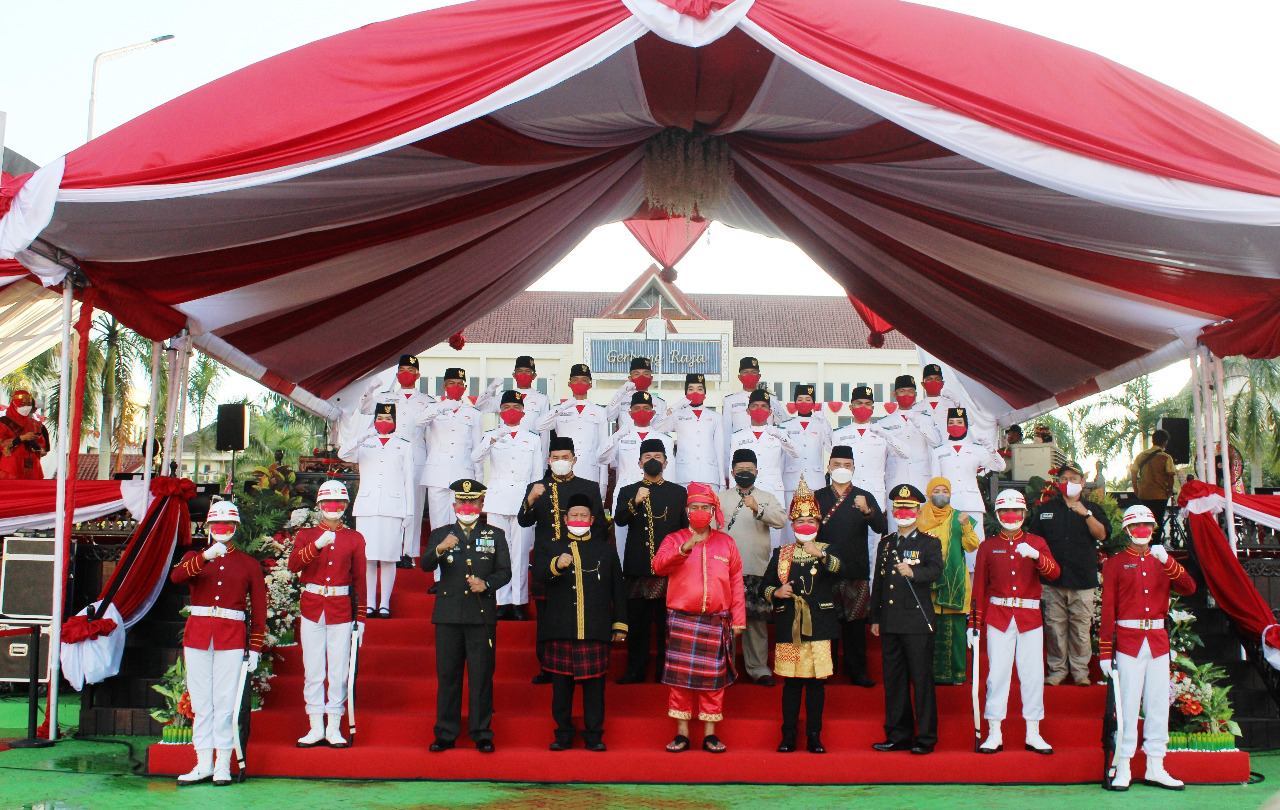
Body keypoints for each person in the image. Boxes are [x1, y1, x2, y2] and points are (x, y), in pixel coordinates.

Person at [1100, 504, 1196, 790]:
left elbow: (1189, 587)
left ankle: (1156, 765)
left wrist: (1168, 561)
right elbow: (1108, 610)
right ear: (1128, 531)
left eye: (1147, 527)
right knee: (1127, 705)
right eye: (1136, 527)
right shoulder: (1115, 563)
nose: (1142, 531)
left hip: (1157, 641)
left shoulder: (1162, 560)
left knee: (1157, 705)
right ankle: (1124, 765)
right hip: (1128, 641)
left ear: (1154, 529)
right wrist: (1106, 651)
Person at [170, 500, 267, 786]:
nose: (221, 529)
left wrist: (256, 647)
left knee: (225, 703)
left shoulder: (248, 564)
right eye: (216, 524)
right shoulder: (194, 557)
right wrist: (205, 557)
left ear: (235, 528)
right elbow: (177, 577)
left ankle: (223, 765)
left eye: (227, 525)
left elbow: (259, 609)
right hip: (198, 634)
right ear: (208, 527)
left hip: (231, 636)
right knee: (201, 703)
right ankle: (202, 764)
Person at [653, 483, 746, 754]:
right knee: (680, 683)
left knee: (713, 684)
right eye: (695, 507)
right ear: (687, 510)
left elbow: (736, 581)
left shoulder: (726, 542)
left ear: (713, 511)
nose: (700, 511)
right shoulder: (674, 538)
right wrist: (684, 548)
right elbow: (658, 567)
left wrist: (738, 617)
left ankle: (709, 735)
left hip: (717, 620)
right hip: (682, 619)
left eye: (705, 507)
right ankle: (682, 734)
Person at [421, 479, 511, 754]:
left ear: (482, 505)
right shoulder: (441, 533)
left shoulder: (494, 534)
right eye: (462, 501)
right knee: (448, 676)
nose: (467, 506)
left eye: (473, 502)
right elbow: (425, 565)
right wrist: (440, 548)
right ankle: (446, 733)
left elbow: (505, 571)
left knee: (481, 676)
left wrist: (487, 584)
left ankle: (482, 732)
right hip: (448, 616)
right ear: (454, 505)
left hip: (480, 616)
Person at [532, 493, 628, 751]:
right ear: (565, 519)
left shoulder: (605, 550)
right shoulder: (550, 547)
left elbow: (617, 589)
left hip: (595, 628)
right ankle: (563, 734)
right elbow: (539, 577)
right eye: (573, 515)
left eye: (583, 515)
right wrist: (555, 564)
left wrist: (620, 624)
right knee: (561, 689)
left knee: (595, 689)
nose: (578, 519)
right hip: (560, 628)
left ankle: (594, 735)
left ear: (592, 519)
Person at [971, 489, 1061, 755]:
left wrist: (1036, 556)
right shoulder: (987, 545)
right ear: (997, 515)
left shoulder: (1037, 541)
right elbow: (979, 587)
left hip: (1029, 617)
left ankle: (1033, 731)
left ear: (1024, 513)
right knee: (997, 675)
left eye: (1016, 511)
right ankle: (994, 731)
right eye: (1005, 512)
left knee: (1032, 675)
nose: (1011, 516)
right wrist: (974, 624)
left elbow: (1054, 573)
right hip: (998, 617)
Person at [763, 477, 848, 753]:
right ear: (792, 524)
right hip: (790, 627)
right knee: (791, 684)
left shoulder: (827, 550)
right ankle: (788, 736)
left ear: (819, 523)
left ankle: (814, 736)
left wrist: (819, 555)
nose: (805, 525)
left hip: (820, 626)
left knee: (815, 684)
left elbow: (841, 571)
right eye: (800, 522)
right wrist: (776, 592)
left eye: (811, 520)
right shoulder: (782, 553)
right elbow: (764, 587)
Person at [519, 436, 610, 683]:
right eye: (556, 458)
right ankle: (547, 666)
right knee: (547, 615)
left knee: (577, 612)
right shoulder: (537, 486)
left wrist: (592, 555)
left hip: (583, 560)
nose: (561, 462)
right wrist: (530, 499)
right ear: (549, 461)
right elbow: (523, 521)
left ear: (574, 460)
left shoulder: (589, 487)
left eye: (565, 458)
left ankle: (578, 665)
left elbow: (600, 527)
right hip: (547, 561)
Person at [287, 480, 367, 748]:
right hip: (312, 606)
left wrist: (362, 619)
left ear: (346, 506)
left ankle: (334, 725)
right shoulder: (306, 535)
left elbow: (360, 580)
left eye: (339, 503)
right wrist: (317, 545)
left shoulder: (355, 538)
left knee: (338, 670)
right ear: (319, 506)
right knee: (313, 670)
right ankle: (315, 726)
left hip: (341, 608)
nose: (333, 508)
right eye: (328, 503)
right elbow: (294, 564)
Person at [870, 485, 942, 755]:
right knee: (894, 681)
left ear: (918, 511)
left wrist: (913, 572)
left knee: (922, 681)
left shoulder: (929, 542)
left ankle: (925, 738)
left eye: (909, 508)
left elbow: (936, 571)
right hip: (890, 622)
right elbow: (878, 583)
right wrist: (875, 618)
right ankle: (897, 735)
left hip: (917, 623)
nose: (904, 512)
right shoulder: (886, 543)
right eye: (899, 508)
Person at [613, 438, 687, 684]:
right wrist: (635, 501)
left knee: (668, 625)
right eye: (648, 457)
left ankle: (665, 670)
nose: (652, 461)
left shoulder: (678, 492)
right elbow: (620, 520)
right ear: (639, 462)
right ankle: (635, 669)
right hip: (638, 567)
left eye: (657, 457)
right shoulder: (627, 490)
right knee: (638, 624)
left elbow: (685, 530)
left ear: (666, 462)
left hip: (670, 569)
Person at [1031, 461, 1110, 686]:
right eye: (1064, 479)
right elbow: (1034, 541)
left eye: (1074, 479)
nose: (1068, 483)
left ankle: (1080, 672)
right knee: (1054, 627)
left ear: (1083, 483)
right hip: (1052, 581)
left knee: (1081, 628)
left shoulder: (1093, 509)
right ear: (1058, 483)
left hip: (1083, 580)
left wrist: (1086, 515)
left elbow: (1103, 535)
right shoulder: (1046, 510)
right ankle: (1057, 670)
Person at [816, 446, 885, 687]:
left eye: (846, 465)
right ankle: (827, 669)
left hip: (856, 568)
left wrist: (867, 510)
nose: (841, 469)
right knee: (827, 622)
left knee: (855, 625)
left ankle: (858, 672)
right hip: (824, 568)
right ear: (829, 467)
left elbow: (882, 527)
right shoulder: (818, 496)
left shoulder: (864, 495)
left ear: (854, 468)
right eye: (837, 464)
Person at [339, 403, 415, 618]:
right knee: (368, 557)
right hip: (367, 506)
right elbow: (343, 453)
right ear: (374, 420)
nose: (384, 422)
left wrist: (409, 511)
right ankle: (369, 602)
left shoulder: (403, 445)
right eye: (380, 418)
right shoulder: (365, 443)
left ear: (395, 422)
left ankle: (385, 603)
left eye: (388, 419)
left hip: (393, 507)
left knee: (389, 557)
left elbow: (408, 479)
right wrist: (363, 435)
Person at [358, 355, 435, 563]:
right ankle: (389, 550)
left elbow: (433, 433)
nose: (406, 374)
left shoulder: (427, 401)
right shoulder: (386, 397)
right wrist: (369, 390)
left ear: (418, 375)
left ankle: (408, 553)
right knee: (389, 502)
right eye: (402, 370)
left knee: (414, 505)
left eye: (410, 370)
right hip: (389, 455)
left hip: (416, 456)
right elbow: (365, 409)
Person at [719, 449, 787, 686]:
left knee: (756, 621)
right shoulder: (721, 497)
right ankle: (723, 667)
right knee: (725, 621)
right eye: (740, 470)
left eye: (749, 469)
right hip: (726, 571)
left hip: (757, 569)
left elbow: (781, 521)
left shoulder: (767, 497)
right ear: (732, 472)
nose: (744, 473)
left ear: (757, 472)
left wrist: (758, 508)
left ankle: (758, 668)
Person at [472, 390, 542, 620]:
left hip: (522, 500)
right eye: (507, 406)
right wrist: (493, 439)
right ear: (500, 411)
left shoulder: (532, 438)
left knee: (521, 553)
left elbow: (536, 475)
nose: (511, 411)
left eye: (516, 407)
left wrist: (533, 503)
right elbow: (476, 458)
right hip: (498, 498)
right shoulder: (492, 434)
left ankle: (519, 601)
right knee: (497, 552)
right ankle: (501, 601)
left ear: (523, 412)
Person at [833, 385, 907, 571]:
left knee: (873, 552)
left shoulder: (882, 432)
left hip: (874, 499)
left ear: (873, 408)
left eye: (867, 404)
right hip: (846, 498)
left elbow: (905, 453)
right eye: (859, 403)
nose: (863, 407)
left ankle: (871, 596)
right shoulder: (839, 434)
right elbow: (833, 469)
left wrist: (886, 434)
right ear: (851, 407)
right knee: (844, 547)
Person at [916, 477, 981, 685]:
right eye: (937, 490)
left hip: (954, 581)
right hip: (925, 582)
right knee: (927, 630)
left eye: (945, 490)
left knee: (955, 631)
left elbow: (972, 546)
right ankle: (927, 674)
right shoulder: (919, 516)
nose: (941, 494)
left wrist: (966, 527)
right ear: (929, 493)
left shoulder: (960, 517)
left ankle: (956, 674)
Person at [598, 390, 673, 561]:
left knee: (655, 545)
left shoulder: (664, 439)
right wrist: (618, 434)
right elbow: (602, 458)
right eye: (637, 408)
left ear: (653, 413)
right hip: (626, 495)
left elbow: (669, 475)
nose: (642, 412)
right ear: (629, 413)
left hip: (655, 495)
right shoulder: (621, 437)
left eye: (646, 408)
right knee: (623, 548)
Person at [927, 407, 1005, 563]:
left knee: (974, 551)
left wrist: (991, 450)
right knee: (949, 548)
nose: (955, 425)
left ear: (966, 424)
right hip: (948, 505)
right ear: (947, 425)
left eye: (959, 422)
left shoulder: (977, 449)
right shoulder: (939, 451)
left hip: (972, 504)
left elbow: (1000, 467)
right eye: (952, 422)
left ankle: (974, 585)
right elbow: (935, 480)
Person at [728, 389, 799, 548]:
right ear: (748, 410)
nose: (759, 409)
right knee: (746, 539)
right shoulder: (738, 436)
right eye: (754, 406)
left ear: (770, 411)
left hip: (772, 492)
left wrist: (780, 436)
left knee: (774, 541)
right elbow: (731, 467)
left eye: (763, 406)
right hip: (746, 493)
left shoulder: (780, 433)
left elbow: (796, 453)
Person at [420, 368, 484, 535]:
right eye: (451, 383)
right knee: (438, 522)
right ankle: (440, 559)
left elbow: (478, 449)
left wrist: (479, 480)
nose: (455, 386)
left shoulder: (473, 414)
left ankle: (459, 560)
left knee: (462, 520)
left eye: (459, 384)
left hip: (463, 472)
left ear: (465, 387)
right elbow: (418, 421)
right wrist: (441, 407)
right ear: (444, 386)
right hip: (437, 473)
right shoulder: (433, 408)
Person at [537, 363, 609, 501]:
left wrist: (603, 485)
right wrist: (564, 405)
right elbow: (540, 426)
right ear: (569, 384)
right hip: (563, 470)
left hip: (590, 471)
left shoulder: (600, 412)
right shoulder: (559, 409)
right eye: (575, 380)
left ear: (590, 384)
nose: (579, 383)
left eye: (584, 380)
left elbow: (603, 449)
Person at [778, 383, 833, 543]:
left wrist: (824, 421)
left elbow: (831, 446)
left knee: (814, 521)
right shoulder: (786, 426)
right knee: (791, 524)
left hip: (815, 482)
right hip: (791, 480)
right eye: (800, 399)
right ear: (794, 403)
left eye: (808, 399)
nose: (804, 402)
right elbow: (781, 456)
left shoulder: (820, 424)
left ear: (814, 403)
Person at [653, 373, 725, 489]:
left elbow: (720, 450)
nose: (695, 392)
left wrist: (722, 482)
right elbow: (656, 427)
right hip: (684, 476)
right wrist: (675, 407)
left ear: (705, 393)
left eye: (700, 389)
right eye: (691, 389)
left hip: (710, 476)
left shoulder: (716, 417)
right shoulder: (678, 415)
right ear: (685, 393)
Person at [878, 375, 943, 497]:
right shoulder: (884, 423)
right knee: (897, 515)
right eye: (902, 391)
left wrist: (917, 422)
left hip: (921, 479)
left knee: (921, 515)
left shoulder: (926, 419)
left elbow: (936, 442)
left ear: (916, 394)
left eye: (910, 391)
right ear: (894, 394)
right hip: (896, 478)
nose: (906, 395)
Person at [477, 356, 550, 454]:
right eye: (519, 371)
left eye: (527, 371)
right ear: (514, 374)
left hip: (529, 450)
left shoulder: (542, 399)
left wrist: (543, 464)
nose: (523, 374)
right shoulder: (504, 396)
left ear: (534, 375)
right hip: (505, 449)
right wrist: (492, 387)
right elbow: (481, 407)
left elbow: (544, 433)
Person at [721, 356, 786, 464]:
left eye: (753, 372)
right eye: (746, 372)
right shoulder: (730, 400)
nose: (750, 375)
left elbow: (785, 421)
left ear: (759, 376)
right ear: (739, 376)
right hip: (741, 452)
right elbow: (726, 433)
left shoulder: (771, 398)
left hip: (767, 451)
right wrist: (728, 462)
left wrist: (772, 403)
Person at [1130, 429, 1180, 544]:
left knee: (1144, 520)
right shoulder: (1166, 457)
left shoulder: (1141, 456)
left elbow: (1133, 472)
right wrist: (1169, 490)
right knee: (1157, 521)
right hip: (1160, 495)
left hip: (1143, 494)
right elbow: (1170, 476)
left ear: (1153, 441)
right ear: (1165, 443)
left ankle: (1144, 543)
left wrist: (1136, 488)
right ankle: (1155, 545)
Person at [606, 356, 667, 434]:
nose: (641, 377)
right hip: (626, 444)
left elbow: (662, 429)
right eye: (637, 374)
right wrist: (620, 392)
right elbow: (608, 417)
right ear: (630, 378)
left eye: (646, 374)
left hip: (651, 444)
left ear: (651, 378)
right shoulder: (621, 399)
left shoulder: (661, 403)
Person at [0, 389, 50, 480]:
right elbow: (1, 443)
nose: (26, 407)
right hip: (12, 466)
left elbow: (44, 448)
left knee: (33, 491)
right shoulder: (3, 423)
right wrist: (21, 438)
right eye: (22, 404)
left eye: (29, 404)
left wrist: (36, 447)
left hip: (32, 465)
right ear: (14, 404)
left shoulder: (36, 424)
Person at [912, 363, 963, 437]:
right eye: (929, 379)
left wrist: (960, 404)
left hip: (947, 446)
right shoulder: (915, 408)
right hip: (926, 447)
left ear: (942, 383)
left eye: (937, 379)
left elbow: (968, 423)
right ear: (923, 384)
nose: (933, 382)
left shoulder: (952, 405)